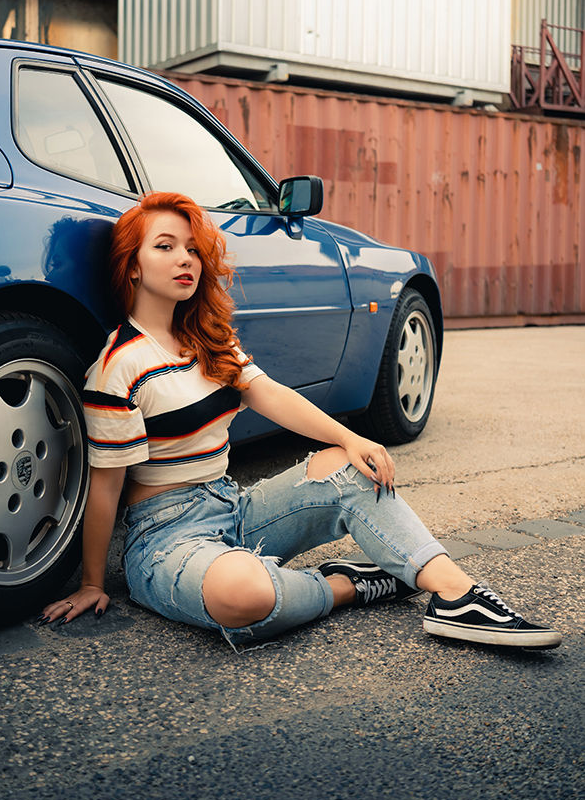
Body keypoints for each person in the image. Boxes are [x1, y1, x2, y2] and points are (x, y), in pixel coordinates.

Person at [41, 191, 561, 651]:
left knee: (352, 467)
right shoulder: (117, 368)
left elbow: (272, 396)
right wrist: (93, 582)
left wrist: (350, 437)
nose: (186, 260)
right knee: (243, 592)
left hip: (232, 507)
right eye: (166, 246)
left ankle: (456, 596)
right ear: (132, 266)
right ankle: (344, 586)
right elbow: (105, 487)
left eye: (194, 248)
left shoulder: (207, 341)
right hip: (164, 540)